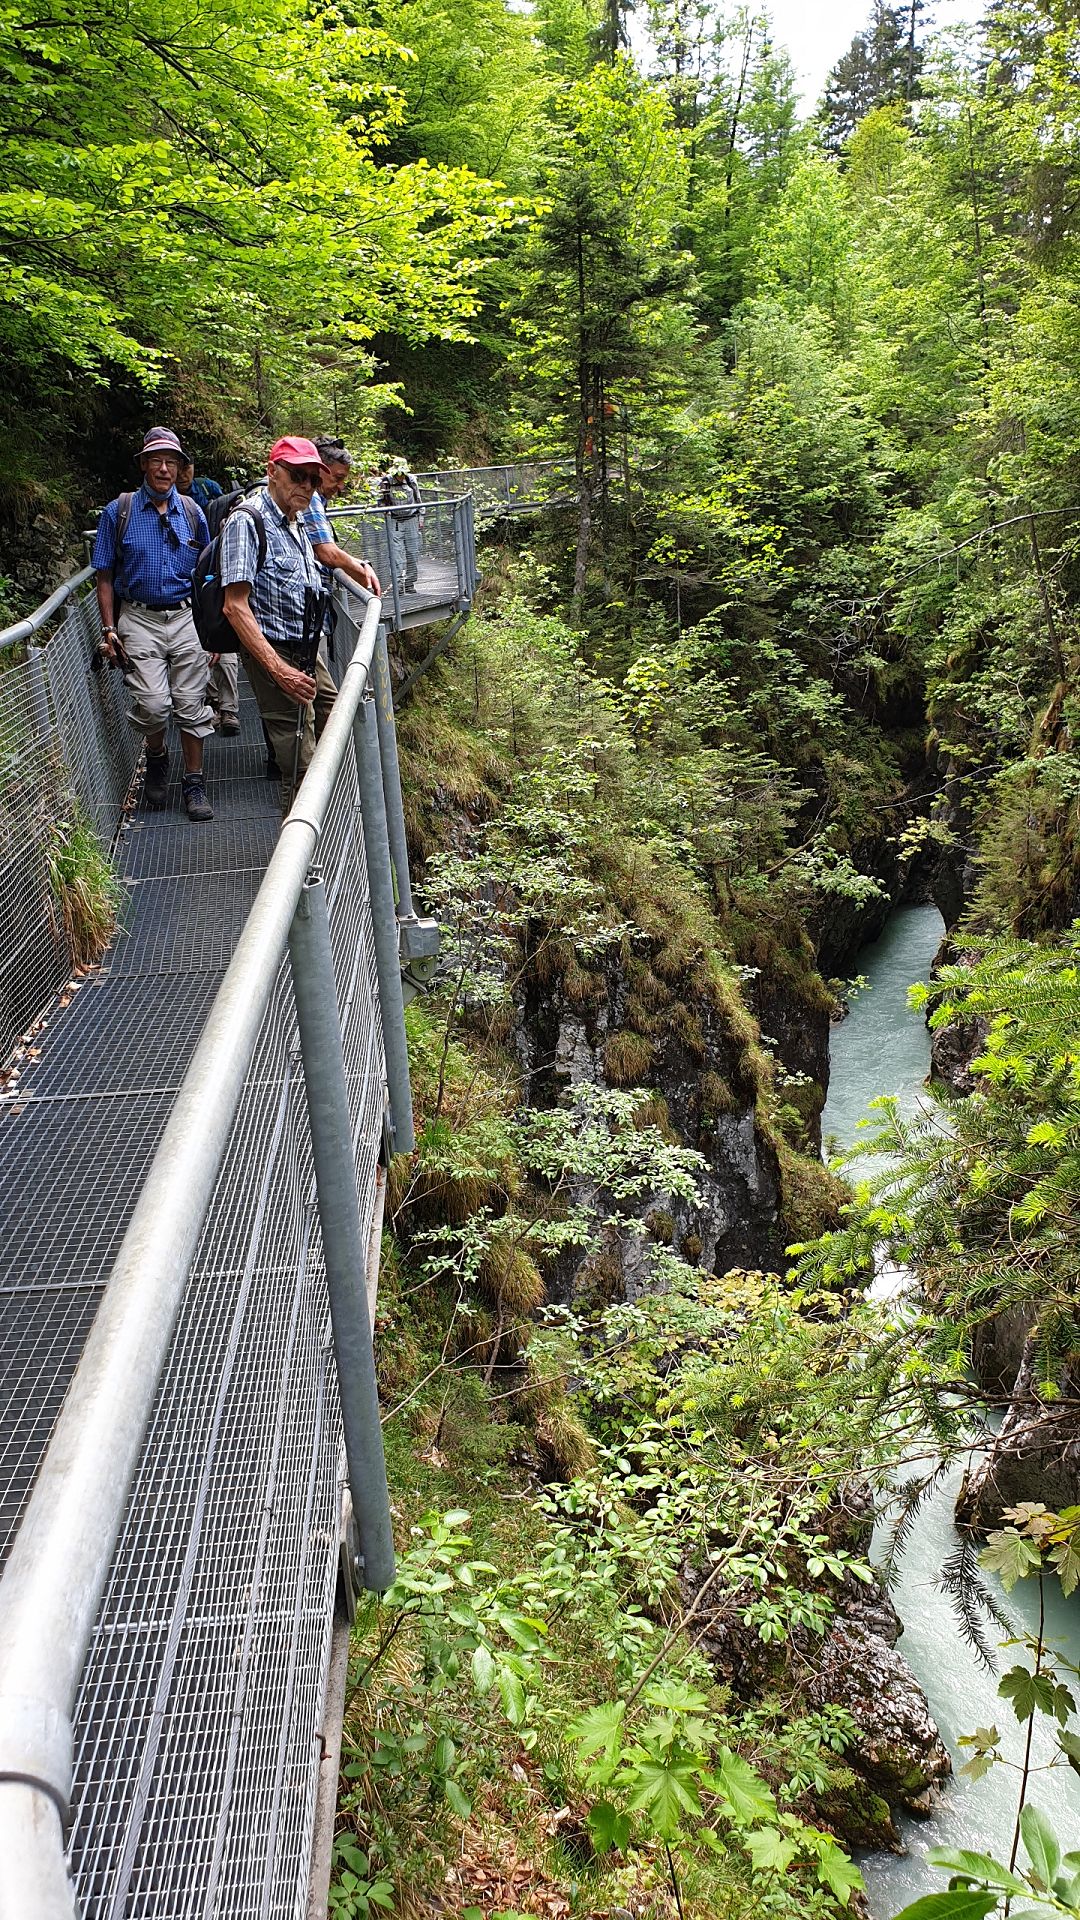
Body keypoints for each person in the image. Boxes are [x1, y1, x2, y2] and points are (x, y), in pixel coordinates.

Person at [92, 426, 215, 822]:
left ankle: (193, 782)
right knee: (153, 705)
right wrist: (109, 629)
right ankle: (157, 756)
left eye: (171, 462)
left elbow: (208, 574)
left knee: (192, 704)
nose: (164, 469)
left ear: (180, 468)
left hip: (187, 617)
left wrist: (213, 631)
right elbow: (104, 575)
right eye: (157, 461)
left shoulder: (193, 512)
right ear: (144, 464)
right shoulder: (119, 511)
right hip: (138, 617)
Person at [218, 436, 336, 816]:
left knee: (335, 712)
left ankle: (324, 813)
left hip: (304, 646)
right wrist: (278, 670)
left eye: (314, 479)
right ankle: (301, 842)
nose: (307, 486)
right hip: (275, 649)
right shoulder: (247, 521)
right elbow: (235, 606)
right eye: (298, 475)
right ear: (273, 471)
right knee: (299, 758)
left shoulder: (294, 520)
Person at [177, 458, 240, 738]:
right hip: (191, 581)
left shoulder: (207, 489)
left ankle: (228, 709)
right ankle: (213, 703)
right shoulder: (170, 504)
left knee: (222, 645)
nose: (183, 474)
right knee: (202, 647)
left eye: (187, 468)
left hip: (215, 571)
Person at [303, 438, 381, 596]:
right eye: (337, 478)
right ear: (318, 469)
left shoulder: (316, 498)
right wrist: (365, 579)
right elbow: (328, 554)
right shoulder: (310, 497)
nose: (341, 487)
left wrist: (362, 564)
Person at [375, 456, 424, 591]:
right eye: (398, 473)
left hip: (411, 518)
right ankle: (398, 585)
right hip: (394, 520)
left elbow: (418, 499)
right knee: (396, 553)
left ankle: (410, 583)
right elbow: (380, 501)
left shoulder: (411, 479)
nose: (401, 476)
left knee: (412, 552)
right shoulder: (386, 481)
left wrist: (421, 517)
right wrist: (386, 513)